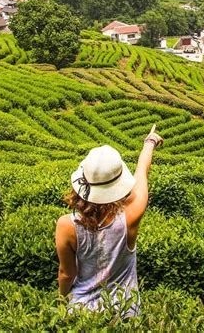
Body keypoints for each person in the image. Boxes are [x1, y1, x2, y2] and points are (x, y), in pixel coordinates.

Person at [55, 124, 164, 317]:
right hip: (125, 311)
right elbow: (141, 173)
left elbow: (66, 274)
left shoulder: (66, 225)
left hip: (82, 315)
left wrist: (62, 303)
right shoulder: (132, 215)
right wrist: (150, 143)